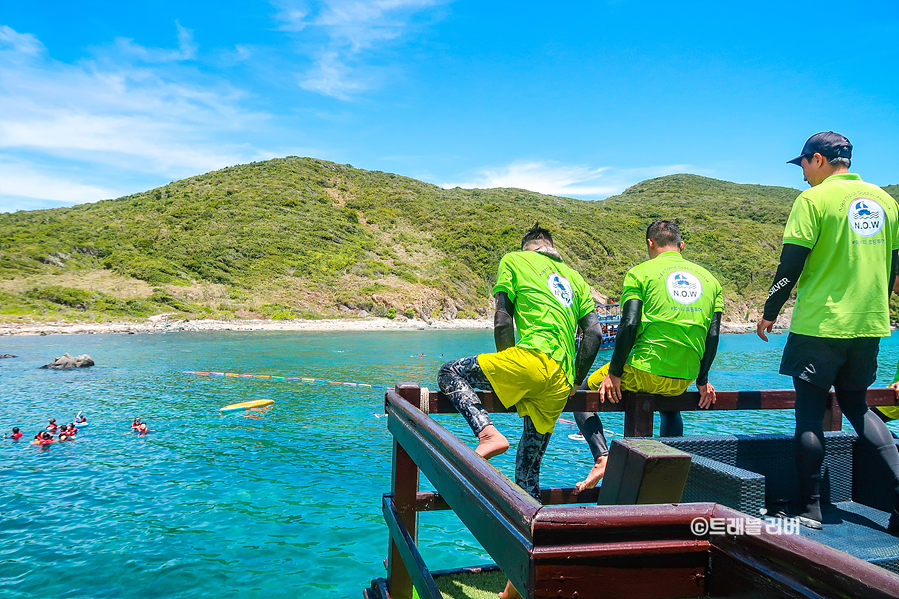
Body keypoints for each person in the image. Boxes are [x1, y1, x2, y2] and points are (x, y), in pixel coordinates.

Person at [437, 223, 601, 599]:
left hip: (527, 363)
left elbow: (502, 319)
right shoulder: (574, 278)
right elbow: (592, 334)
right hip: (559, 382)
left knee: (450, 371)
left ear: (528, 248)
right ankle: (518, 583)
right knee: (527, 477)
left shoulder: (514, 260)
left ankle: (487, 433)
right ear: (552, 250)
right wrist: (575, 380)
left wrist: (508, 364)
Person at [756, 131, 899, 532]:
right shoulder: (886, 201)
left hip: (821, 325)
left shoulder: (813, 200)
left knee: (808, 414)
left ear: (818, 159)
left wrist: (770, 311)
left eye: (802, 164)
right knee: (858, 406)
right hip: (869, 323)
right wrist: (875, 309)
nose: (801, 175)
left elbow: (790, 266)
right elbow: (892, 268)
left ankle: (810, 507)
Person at [573, 220, 723, 491]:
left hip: (643, 370)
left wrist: (614, 373)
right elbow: (713, 335)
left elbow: (628, 324)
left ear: (650, 243)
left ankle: (603, 457)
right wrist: (702, 379)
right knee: (669, 405)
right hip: (683, 377)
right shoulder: (710, 281)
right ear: (681, 245)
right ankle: (667, 468)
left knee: (582, 397)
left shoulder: (640, 273)